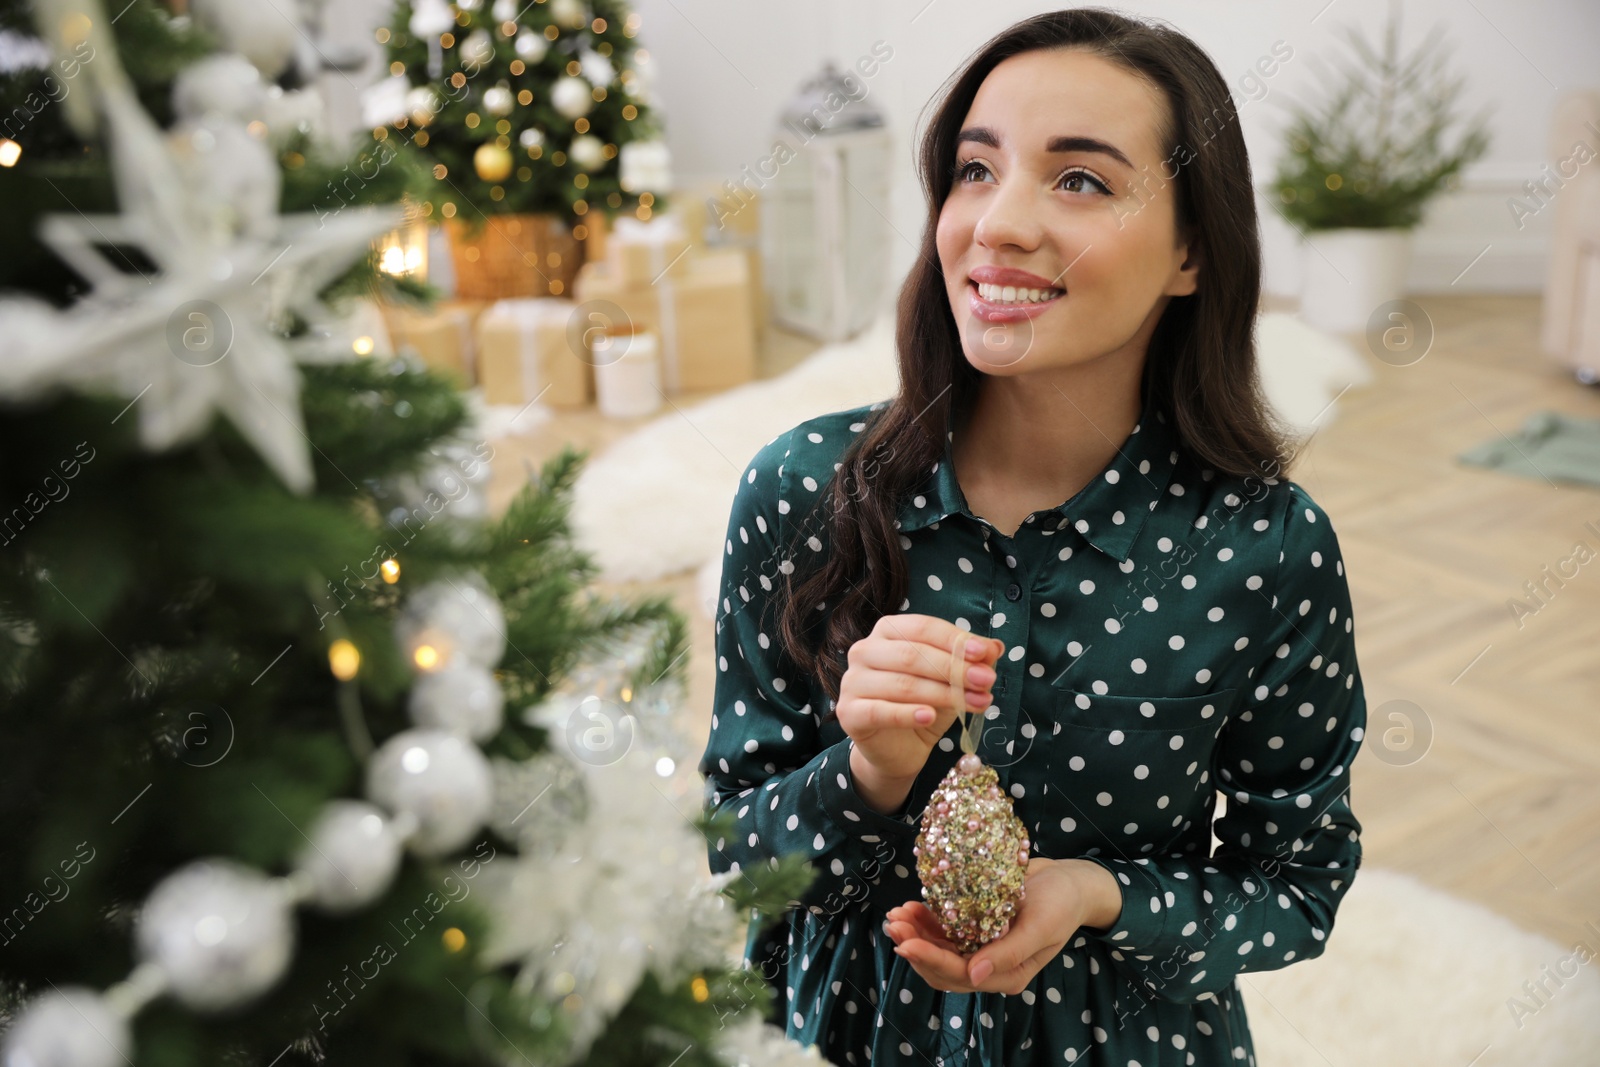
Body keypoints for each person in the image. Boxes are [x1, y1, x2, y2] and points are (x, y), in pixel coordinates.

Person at [697, 8, 1366, 1064]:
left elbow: (1296, 889)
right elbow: (733, 851)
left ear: (1192, 249)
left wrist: (1096, 893)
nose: (994, 224)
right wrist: (867, 774)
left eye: (1080, 180)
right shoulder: (802, 491)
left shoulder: (1266, 551)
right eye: (974, 169)